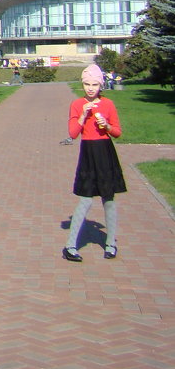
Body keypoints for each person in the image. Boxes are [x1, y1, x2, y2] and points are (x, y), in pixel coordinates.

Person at [62, 64, 126, 261]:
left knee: (109, 199)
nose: (90, 88)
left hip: (105, 152)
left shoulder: (108, 104)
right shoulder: (77, 104)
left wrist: (105, 125)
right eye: (87, 84)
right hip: (88, 153)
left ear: (101, 85)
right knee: (85, 199)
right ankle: (70, 246)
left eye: (95, 84)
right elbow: (72, 134)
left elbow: (117, 132)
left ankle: (110, 244)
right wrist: (83, 115)